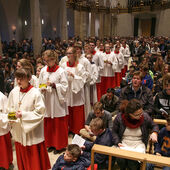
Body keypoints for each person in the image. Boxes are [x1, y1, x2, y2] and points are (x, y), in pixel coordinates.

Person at [7, 68, 51, 170]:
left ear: (29, 78)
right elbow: (9, 110)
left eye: (21, 79)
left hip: (32, 132)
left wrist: (24, 115)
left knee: (34, 160)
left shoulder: (36, 93)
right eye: (17, 78)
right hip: (19, 131)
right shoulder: (14, 92)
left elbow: (40, 112)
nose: (18, 81)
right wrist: (12, 117)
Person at [112, 99, 159, 170]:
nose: (140, 116)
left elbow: (154, 125)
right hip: (123, 143)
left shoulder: (145, 116)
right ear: (129, 114)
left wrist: (154, 133)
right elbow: (114, 132)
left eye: (141, 113)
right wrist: (117, 142)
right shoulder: (120, 118)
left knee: (133, 162)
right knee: (120, 159)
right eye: (137, 114)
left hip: (139, 143)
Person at [39, 50, 69, 154]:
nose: (46, 63)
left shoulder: (61, 71)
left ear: (54, 59)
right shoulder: (43, 70)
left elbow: (65, 86)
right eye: (45, 60)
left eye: (48, 60)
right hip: (47, 99)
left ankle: (60, 146)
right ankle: (51, 144)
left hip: (57, 100)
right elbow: (40, 84)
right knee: (49, 123)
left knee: (58, 123)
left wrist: (54, 85)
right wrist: (42, 88)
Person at [61, 47, 86, 134]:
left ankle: (77, 130)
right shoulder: (63, 65)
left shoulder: (80, 66)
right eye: (67, 53)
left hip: (76, 93)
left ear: (74, 54)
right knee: (68, 109)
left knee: (76, 111)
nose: (68, 55)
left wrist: (74, 76)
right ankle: (69, 129)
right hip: (67, 91)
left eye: (70, 53)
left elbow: (83, 80)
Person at [0, 92, 13, 170]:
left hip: (1, 126)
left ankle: (5, 163)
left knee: (3, 145)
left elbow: (8, 112)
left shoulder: (2, 97)